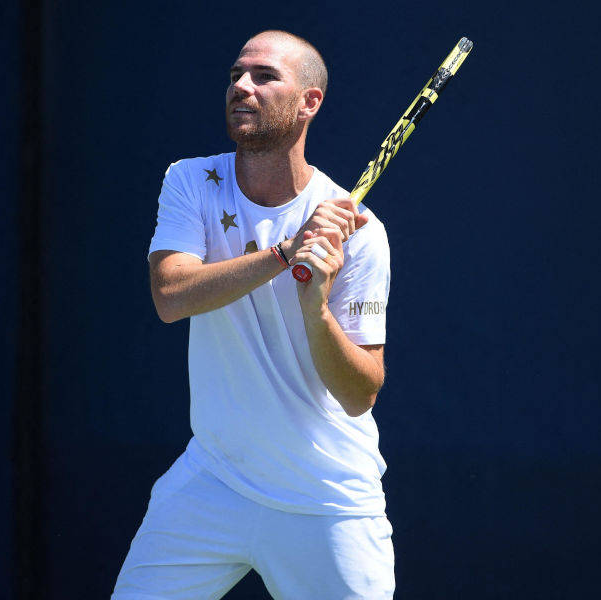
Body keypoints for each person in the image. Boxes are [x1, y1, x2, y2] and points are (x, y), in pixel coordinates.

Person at [112, 30, 394, 599]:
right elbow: (171, 297)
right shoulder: (190, 180)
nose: (242, 86)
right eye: (237, 75)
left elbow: (360, 393)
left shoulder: (361, 237)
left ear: (308, 102)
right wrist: (285, 253)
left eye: (265, 77)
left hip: (326, 499)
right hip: (213, 480)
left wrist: (315, 307)